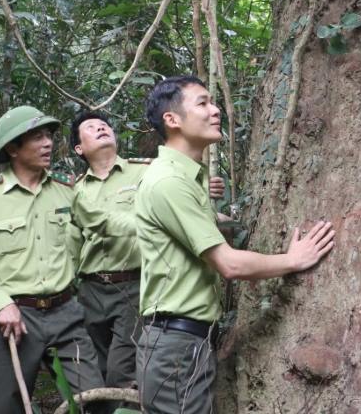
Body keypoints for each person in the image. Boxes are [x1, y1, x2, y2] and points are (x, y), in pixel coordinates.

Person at [135, 75, 336, 414]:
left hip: (187, 342)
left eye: (213, 102)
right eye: (202, 103)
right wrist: (292, 259)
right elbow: (229, 264)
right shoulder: (169, 181)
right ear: (172, 120)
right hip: (175, 347)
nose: (215, 111)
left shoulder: (187, 177)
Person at [0, 106, 105, 414]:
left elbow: (105, 224)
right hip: (16, 320)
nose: (47, 143)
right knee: (5, 408)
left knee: (96, 400)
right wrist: (1, 303)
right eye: (37, 137)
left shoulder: (65, 189)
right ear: (12, 148)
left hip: (66, 314)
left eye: (48, 136)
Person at [70, 110, 225, 393]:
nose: (102, 129)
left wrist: (205, 186)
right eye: (92, 128)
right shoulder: (73, 190)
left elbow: (182, 191)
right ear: (79, 148)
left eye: (105, 125)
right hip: (90, 290)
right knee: (94, 372)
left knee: (122, 369)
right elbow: (70, 242)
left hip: (134, 284)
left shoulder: (147, 170)